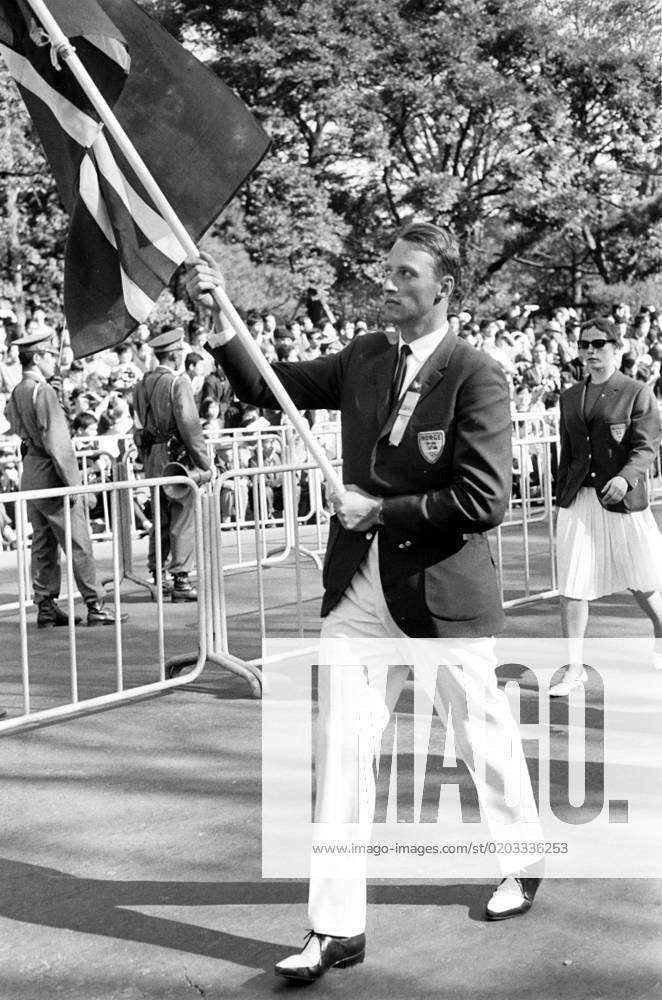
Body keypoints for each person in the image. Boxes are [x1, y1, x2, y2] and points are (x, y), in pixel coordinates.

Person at [187, 221, 543, 984]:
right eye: (386, 270)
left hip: (441, 592)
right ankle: (335, 928)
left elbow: (484, 499)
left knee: (480, 734)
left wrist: (381, 511)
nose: (389, 282)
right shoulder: (364, 355)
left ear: (443, 288)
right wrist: (224, 328)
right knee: (342, 752)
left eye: (406, 273)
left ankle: (523, 854)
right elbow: (267, 385)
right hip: (358, 590)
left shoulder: (478, 374)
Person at [554, 316, 662, 694]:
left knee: (643, 580)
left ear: (617, 348)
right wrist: (560, 496)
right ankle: (574, 667)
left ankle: (661, 629)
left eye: (599, 344)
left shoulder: (636, 392)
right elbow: (567, 452)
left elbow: (646, 447)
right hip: (579, 499)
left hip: (622, 499)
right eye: (584, 344)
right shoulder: (569, 396)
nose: (590, 351)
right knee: (572, 585)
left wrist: (625, 477)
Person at [6, 331, 122, 628]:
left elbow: (18, 425)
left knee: (43, 543)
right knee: (78, 541)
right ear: (37, 357)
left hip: (31, 473)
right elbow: (58, 443)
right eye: (49, 355)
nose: (53, 361)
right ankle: (95, 604)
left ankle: (45, 605)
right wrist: (74, 485)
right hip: (53, 474)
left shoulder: (20, 389)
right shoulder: (41, 391)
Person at [132, 328, 211, 600]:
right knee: (183, 515)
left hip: (153, 456)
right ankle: (181, 580)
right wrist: (204, 463)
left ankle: (159, 575)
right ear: (177, 355)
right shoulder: (178, 383)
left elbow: (139, 426)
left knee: (159, 517)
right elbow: (190, 426)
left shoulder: (141, 384)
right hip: (175, 456)